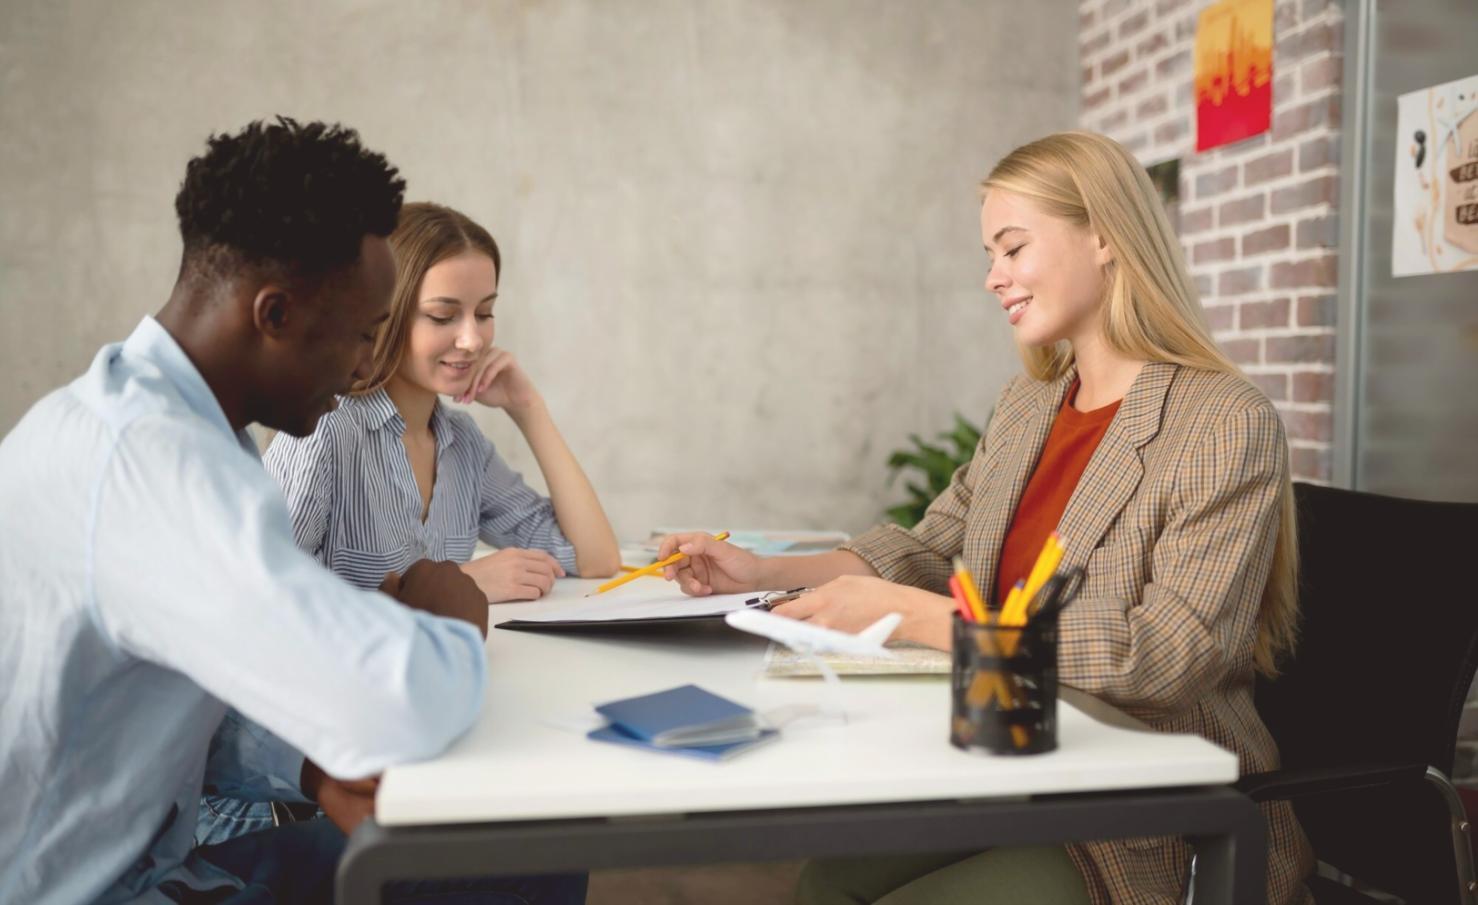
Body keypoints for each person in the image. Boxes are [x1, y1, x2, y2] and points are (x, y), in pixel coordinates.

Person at [656, 131, 1314, 905]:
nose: (992, 276)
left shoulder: (1220, 420)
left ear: (1104, 234)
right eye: (990, 254)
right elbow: (929, 548)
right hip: (1016, 764)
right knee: (824, 884)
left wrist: (924, 619)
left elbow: (1165, 655)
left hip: (1148, 810)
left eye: (1012, 248)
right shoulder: (1030, 403)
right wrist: (765, 573)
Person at [0, 118, 581, 905]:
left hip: (156, 863)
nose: (358, 367)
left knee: (525, 851)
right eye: (360, 333)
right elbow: (395, 705)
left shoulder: (150, 420)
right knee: (521, 850)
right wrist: (448, 615)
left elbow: (177, 697)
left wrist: (310, 765)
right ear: (272, 314)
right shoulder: (157, 466)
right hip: (98, 888)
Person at [197, 200, 621, 847]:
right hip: (298, 791)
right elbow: (258, 621)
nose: (474, 339)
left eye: (484, 313)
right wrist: (460, 580)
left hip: (407, 744)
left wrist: (529, 409)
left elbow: (593, 558)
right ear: (387, 315)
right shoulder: (326, 430)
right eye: (444, 315)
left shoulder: (461, 442)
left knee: (558, 837)